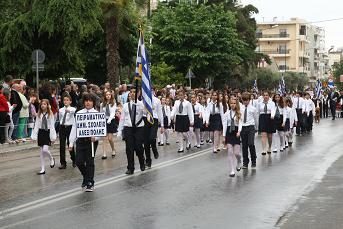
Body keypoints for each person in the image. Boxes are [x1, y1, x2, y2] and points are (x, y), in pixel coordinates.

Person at [69, 93, 100, 192]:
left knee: (90, 162)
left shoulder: (97, 114)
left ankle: (90, 182)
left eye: (90, 101)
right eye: (86, 100)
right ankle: (86, 177)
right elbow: (75, 127)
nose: (88, 102)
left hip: (91, 142)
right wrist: (70, 142)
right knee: (79, 161)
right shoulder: (79, 113)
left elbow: (101, 129)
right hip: (80, 141)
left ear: (93, 102)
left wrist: (96, 137)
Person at [117, 88, 146, 175]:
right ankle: (130, 167)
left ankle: (142, 161)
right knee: (129, 149)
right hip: (128, 128)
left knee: (138, 147)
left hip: (139, 128)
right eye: (131, 92)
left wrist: (140, 105)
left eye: (135, 92)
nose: (133, 94)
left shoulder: (141, 104)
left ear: (139, 93)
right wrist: (119, 130)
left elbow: (146, 113)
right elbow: (122, 119)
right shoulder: (126, 105)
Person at [31, 99, 56, 175]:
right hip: (41, 132)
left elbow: (52, 126)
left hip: (47, 132)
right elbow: (36, 125)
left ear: (47, 105)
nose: (43, 105)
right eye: (42, 104)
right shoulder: (39, 114)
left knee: (45, 150)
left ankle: (51, 158)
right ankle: (42, 169)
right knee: (41, 152)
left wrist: (53, 137)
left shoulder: (50, 114)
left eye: (44, 104)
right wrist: (34, 136)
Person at [143, 92, 164, 169]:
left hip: (154, 120)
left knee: (152, 138)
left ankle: (154, 149)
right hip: (145, 120)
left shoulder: (156, 100)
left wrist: (162, 125)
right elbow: (142, 112)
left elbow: (160, 113)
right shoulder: (143, 100)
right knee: (146, 143)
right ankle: (148, 161)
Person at [222, 97, 242, 177]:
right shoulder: (227, 113)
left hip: (236, 132)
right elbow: (225, 125)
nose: (233, 105)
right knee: (230, 152)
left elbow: (240, 123)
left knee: (236, 153)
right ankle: (232, 170)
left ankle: (239, 161)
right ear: (229, 104)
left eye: (234, 103)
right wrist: (224, 136)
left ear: (236, 104)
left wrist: (239, 131)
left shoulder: (239, 113)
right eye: (231, 103)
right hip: (229, 132)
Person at [240, 92, 258, 169]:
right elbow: (239, 118)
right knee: (244, 146)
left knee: (251, 143)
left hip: (251, 127)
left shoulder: (253, 109)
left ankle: (253, 160)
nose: (245, 102)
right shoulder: (240, 108)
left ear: (249, 100)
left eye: (246, 100)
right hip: (243, 127)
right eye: (244, 100)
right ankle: (245, 162)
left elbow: (256, 119)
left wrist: (256, 128)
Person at [58, 94, 76, 169]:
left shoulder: (72, 109)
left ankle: (74, 160)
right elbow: (60, 118)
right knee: (62, 145)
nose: (65, 101)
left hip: (70, 127)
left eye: (67, 100)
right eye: (64, 100)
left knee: (70, 144)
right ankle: (63, 163)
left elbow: (73, 111)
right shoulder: (60, 110)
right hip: (62, 127)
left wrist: (68, 111)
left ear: (70, 101)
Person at [100, 91, 117, 159]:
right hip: (104, 121)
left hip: (111, 121)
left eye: (109, 94)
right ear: (104, 96)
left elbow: (113, 113)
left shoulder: (113, 103)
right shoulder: (102, 104)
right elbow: (101, 113)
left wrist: (109, 120)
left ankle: (113, 149)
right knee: (104, 138)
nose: (108, 96)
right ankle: (104, 153)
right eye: (106, 95)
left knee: (110, 138)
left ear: (111, 95)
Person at [258, 90, 276, 155]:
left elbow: (273, 110)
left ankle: (269, 147)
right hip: (262, 118)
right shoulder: (260, 103)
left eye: (267, 95)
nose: (265, 96)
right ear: (262, 96)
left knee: (270, 136)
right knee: (263, 134)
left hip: (270, 118)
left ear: (269, 96)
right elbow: (258, 112)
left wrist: (272, 115)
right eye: (264, 95)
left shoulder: (272, 103)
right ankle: (263, 149)